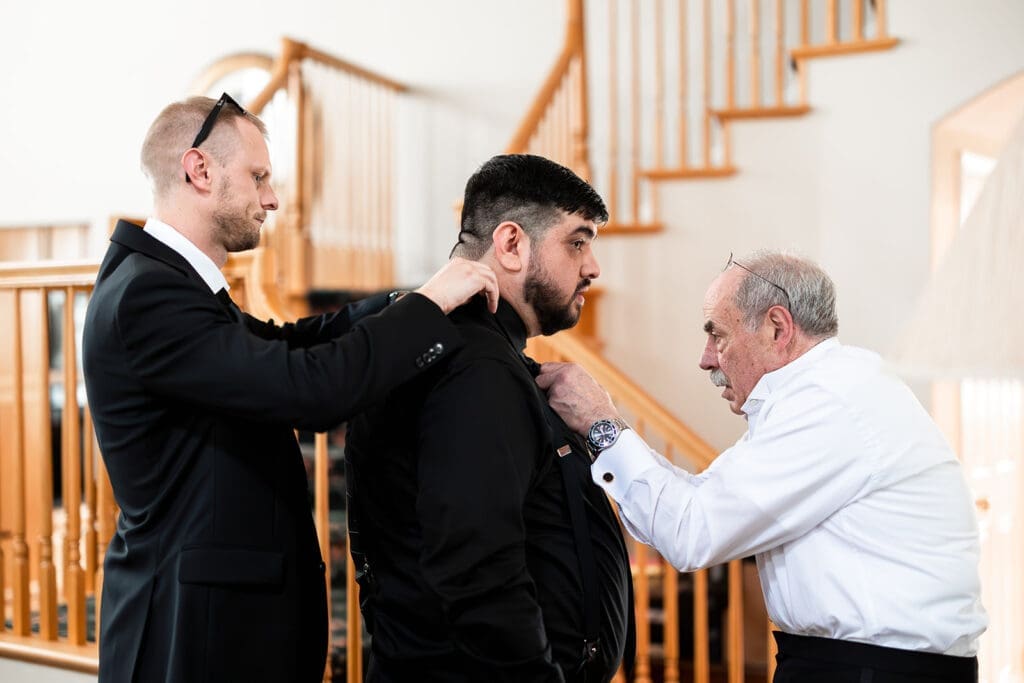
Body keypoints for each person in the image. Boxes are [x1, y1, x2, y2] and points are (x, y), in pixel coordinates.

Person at [82, 93, 498, 683]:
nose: (272, 200)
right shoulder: (150, 296)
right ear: (199, 170)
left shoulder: (167, 285)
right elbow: (308, 391)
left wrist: (404, 301)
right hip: (196, 632)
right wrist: (429, 310)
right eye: (258, 178)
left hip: (217, 620)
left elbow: (283, 344)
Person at [537, 251, 987, 683]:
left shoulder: (828, 403)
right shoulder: (826, 391)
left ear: (777, 328)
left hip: (871, 672)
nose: (706, 358)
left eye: (718, 335)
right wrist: (608, 430)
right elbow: (695, 499)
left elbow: (691, 533)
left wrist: (601, 424)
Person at [345, 154, 632, 683]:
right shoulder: (475, 367)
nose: (592, 267)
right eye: (578, 241)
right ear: (511, 244)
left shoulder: (470, 353)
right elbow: (476, 569)